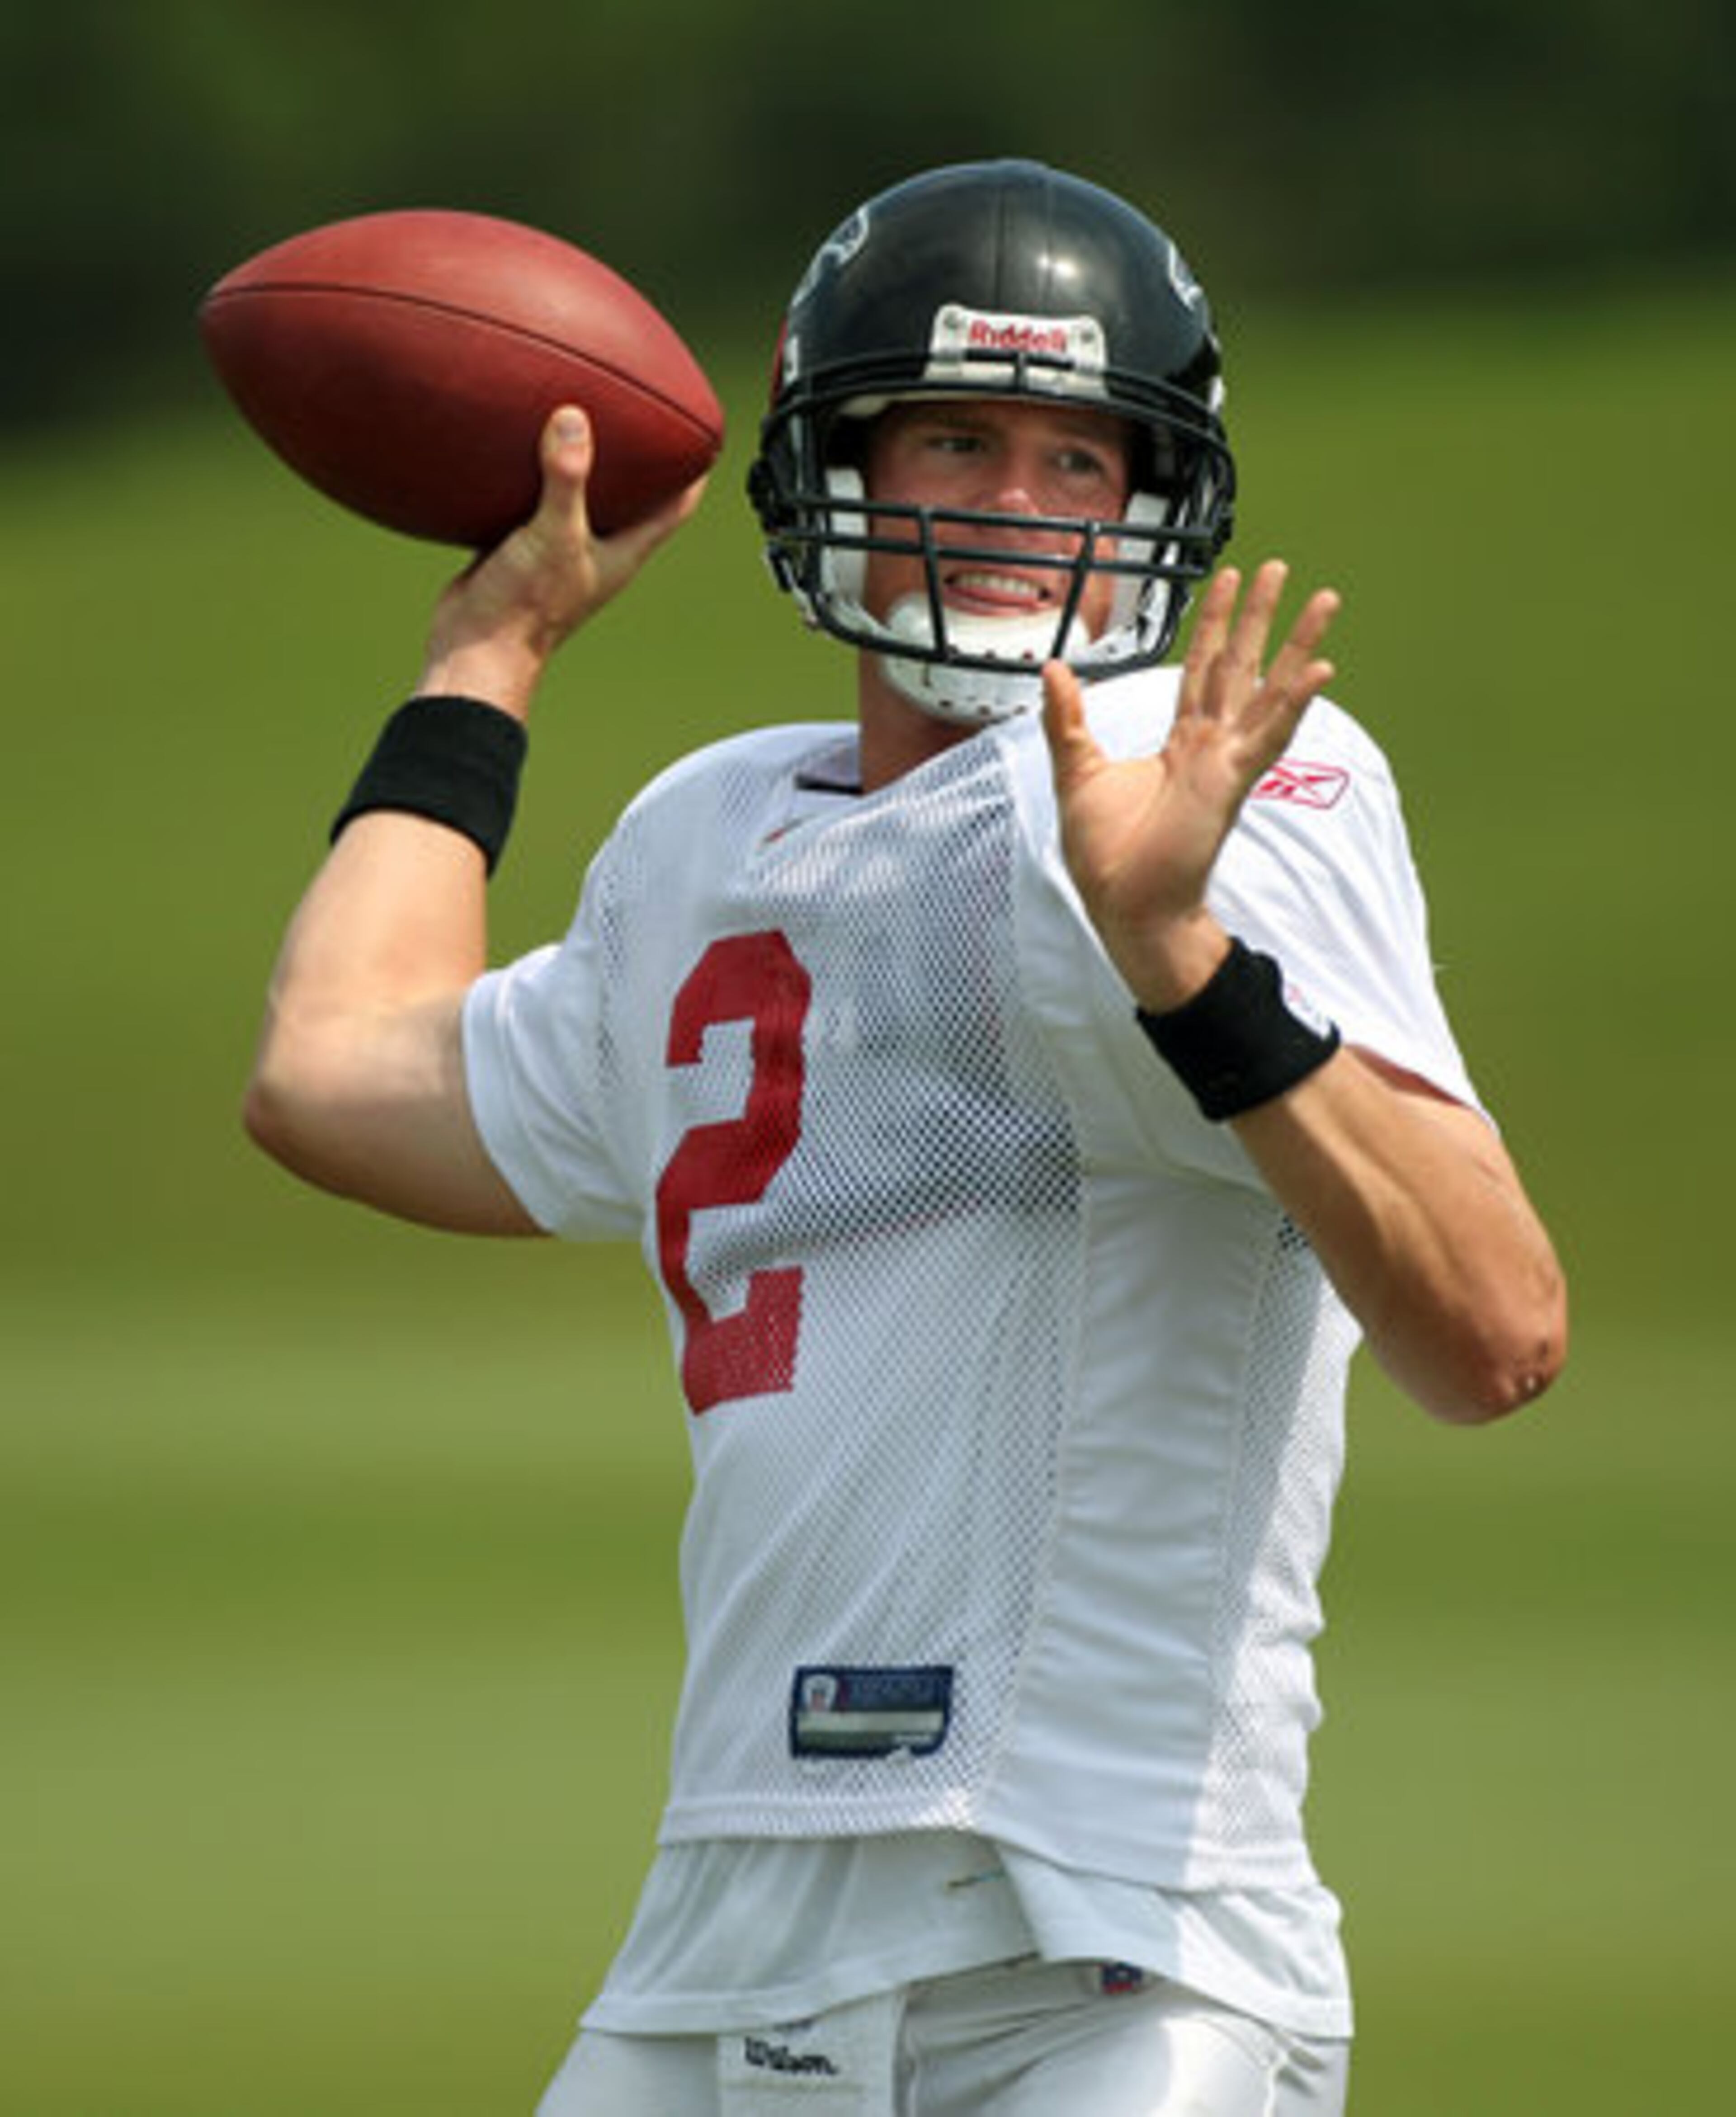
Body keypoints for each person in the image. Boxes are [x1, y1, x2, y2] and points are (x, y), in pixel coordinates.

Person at [244, 160, 1566, 2116]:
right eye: (953, 434)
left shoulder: (1227, 787)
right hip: (722, 1939)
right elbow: (330, 1071)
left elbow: (1497, 1326)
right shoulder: (707, 838)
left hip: (1105, 1947)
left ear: (1155, 498)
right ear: (827, 458)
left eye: (1074, 457)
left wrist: (1177, 949)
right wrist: (486, 662)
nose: (1012, 510)